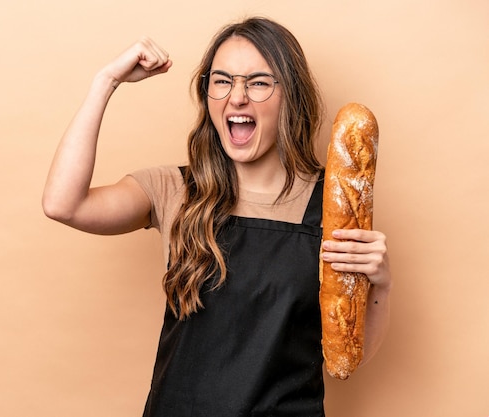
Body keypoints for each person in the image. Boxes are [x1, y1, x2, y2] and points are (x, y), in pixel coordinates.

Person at [42, 16, 391, 417]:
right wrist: (106, 81)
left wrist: (380, 283)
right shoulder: (174, 190)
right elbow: (62, 204)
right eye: (222, 80)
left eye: (258, 82)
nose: (237, 97)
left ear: (290, 95)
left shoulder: (334, 205)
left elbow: (347, 360)